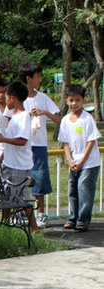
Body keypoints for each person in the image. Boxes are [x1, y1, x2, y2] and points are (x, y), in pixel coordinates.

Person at [18, 62, 61, 228]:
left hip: (39, 145)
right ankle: (22, 212)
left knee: (40, 178)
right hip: (22, 145)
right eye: (38, 77)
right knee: (21, 179)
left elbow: (58, 118)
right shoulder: (18, 98)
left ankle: (41, 213)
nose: (40, 80)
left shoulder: (42, 98)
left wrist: (44, 113)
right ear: (28, 78)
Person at [0, 81, 40, 233]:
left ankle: (34, 227)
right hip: (9, 163)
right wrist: (1, 157)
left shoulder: (23, 117)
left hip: (19, 165)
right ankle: (5, 225)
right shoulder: (13, 117)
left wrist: (2, 140)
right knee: (8, 196)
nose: (5, 100)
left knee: (20, 197)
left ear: (13, 98)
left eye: (6, 97)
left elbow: (22, 141)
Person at [57, 84, 101, 232]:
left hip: (89, 162)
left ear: (83, 101)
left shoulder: (87, 119)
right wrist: (70, 160)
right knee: (73, 190)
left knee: (84, 189)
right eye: (71, 100)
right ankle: (73, 217)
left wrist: (82, 161)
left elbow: (91, 141)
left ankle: (83, 219)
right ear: (67, 101)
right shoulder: (65, 120)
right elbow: (65, 142)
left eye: (77, 100)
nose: (74, 103)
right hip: (74, 161)